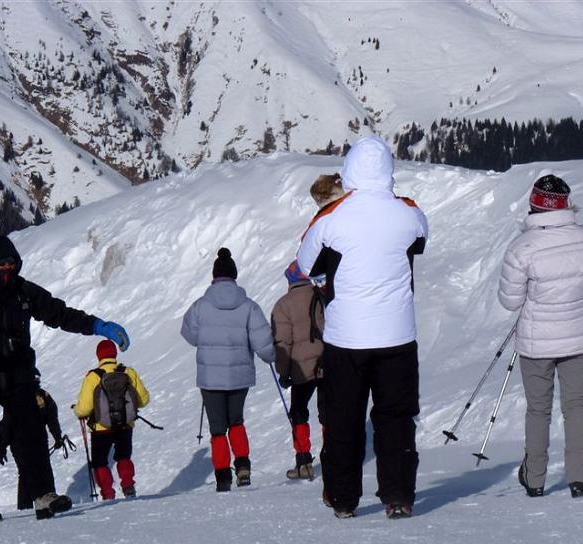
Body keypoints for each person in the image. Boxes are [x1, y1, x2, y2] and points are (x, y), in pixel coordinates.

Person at [0, 234, 130, 522]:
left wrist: (96, 325)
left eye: (11, 264)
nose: (6, 270)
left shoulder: (21, 290)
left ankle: (43, 496)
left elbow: (58, 313)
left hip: (16, 371)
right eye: (0, 265)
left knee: (31, 434)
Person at [297, 136, 429, 519]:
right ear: (388, 169)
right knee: (396, 418)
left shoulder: (333, 216)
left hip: (346, 338)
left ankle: (342, 499)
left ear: (350, 169)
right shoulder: (408, 212)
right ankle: (398, 495)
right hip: (398, 335)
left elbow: (307, 265)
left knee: (344, 419)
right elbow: (420, 241)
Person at [497, 174, 583, 498]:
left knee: (538, 409)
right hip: (579, 333)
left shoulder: (523, 247)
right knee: (575, 405)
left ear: (534, 205)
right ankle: (579, 478)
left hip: (537, 340)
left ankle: (536, 478)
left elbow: (510, 301)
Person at [181, 248, 276, 492]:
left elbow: (189, 334)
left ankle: (223, 476)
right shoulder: (249, 306)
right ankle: (243, 466)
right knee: (236, 421)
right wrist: (271, 357)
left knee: (217, 428)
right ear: (234, 276)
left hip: (210, 378)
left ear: (214, 277)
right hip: (239, 375)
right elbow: (263, 341)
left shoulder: (200, 306)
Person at [73, 340, 150, 499]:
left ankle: (108, 494)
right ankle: (129, 487)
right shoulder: (128, 372)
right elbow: (144, 399)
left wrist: (77, 410)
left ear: (98, 356)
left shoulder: (93, 376)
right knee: (124, 456)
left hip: (101, 427)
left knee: (100, 462)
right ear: (115, 354)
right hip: (125, 424)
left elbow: (85, 408)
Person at [271, 260, 325, 480]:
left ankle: (304, 462)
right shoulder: (321, 296)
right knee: (328, 412)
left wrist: (283, 373)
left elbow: (282, 343)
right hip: (326, 362)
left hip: (300, 369)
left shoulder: (283, 305)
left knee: (298, 413)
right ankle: (333, 456)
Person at [0, 378, 76, 510]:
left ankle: (27, 506)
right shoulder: (43, 396)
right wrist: (57, 437)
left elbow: (7, 425)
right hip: (37, 438)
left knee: (26, 472)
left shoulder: (15, 396)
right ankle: (49, 499)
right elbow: (52, 418)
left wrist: (1, 447)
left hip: (18, 442)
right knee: (42, 467)